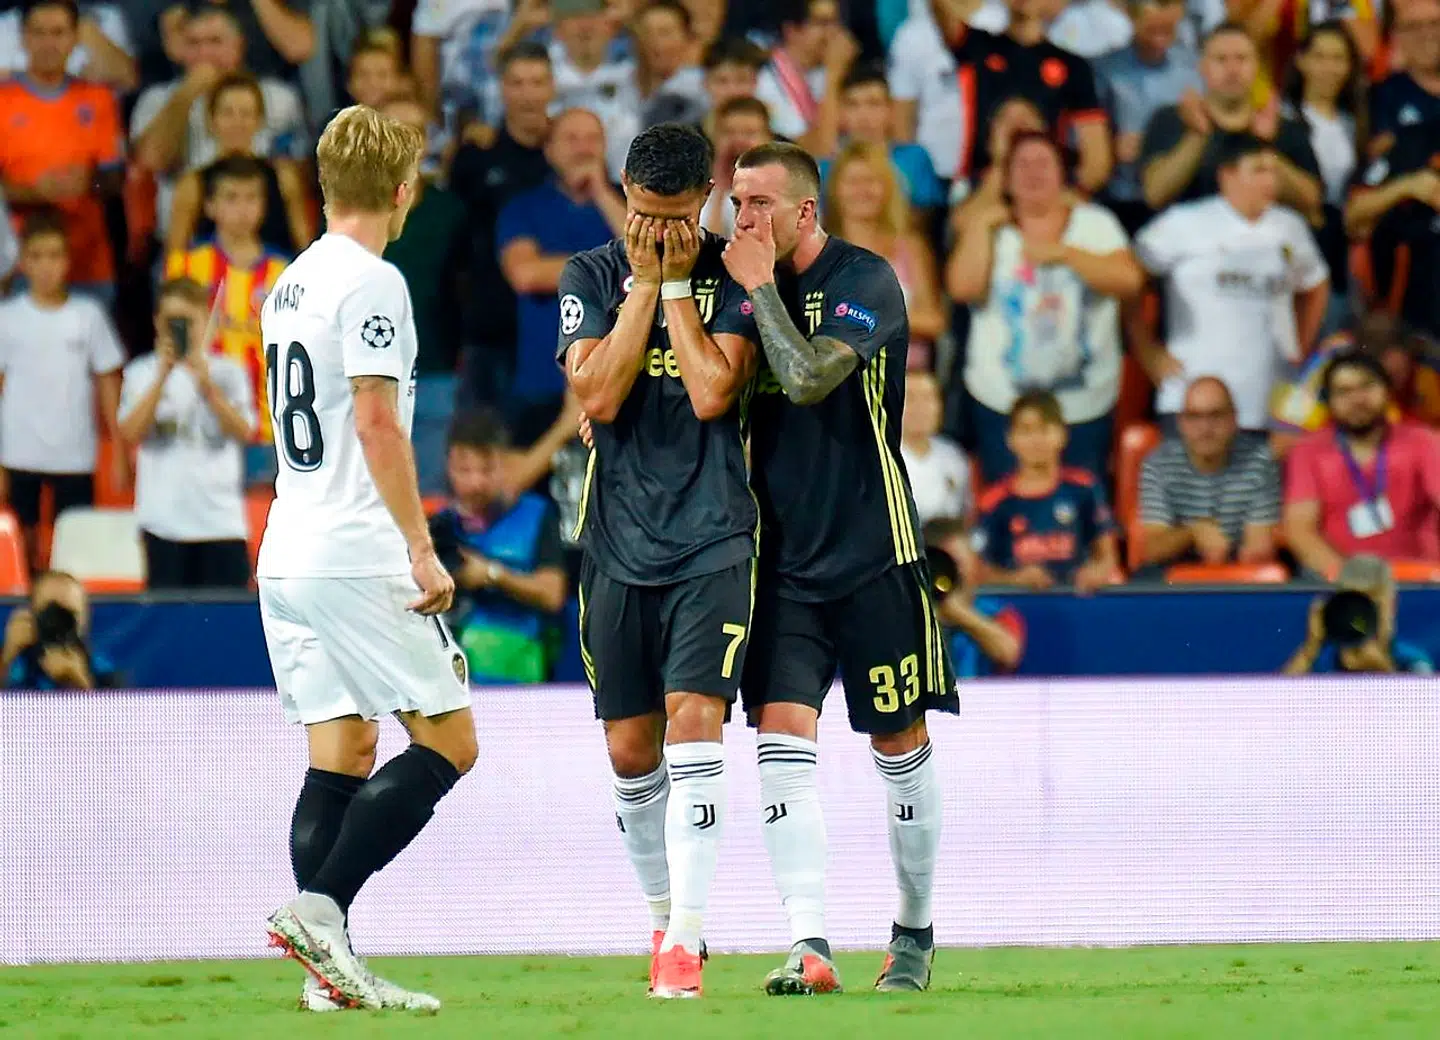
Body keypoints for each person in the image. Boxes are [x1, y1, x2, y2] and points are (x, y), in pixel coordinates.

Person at [722, 140, 959, 995]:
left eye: (758, 205)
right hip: (778, 562)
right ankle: (808, 943)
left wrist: (755, 288)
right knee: (781, 738)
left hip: (873, 553)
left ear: (803, 212)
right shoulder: (733, 285)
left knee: (899, 740)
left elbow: (812, 376)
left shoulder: (866, 281)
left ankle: (915, 930)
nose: (741, 220)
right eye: (735, 203)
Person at [258, 105, 479, 1013]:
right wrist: (421, 549)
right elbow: (378, 421)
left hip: (288, 546)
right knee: (450, 741)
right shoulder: (374, 281)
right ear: (404, 191)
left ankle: (327, 976)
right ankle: (323, 911)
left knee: (344, 748)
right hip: (355, 550)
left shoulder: (290, 283)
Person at [560, 123, 760, 999]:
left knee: (694, 721)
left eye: (677, 219)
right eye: (645, 216)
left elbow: (717, 391)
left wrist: (676, 278)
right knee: (629, 747)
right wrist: (647, 278)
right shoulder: (591, 276)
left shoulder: (739, 275)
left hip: (715, 534)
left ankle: (685, 939)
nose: (660, 231)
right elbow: (596, 392)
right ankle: (659, 911)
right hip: (616, 538)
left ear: (706, 200)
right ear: (625, 195)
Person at [949, 130, 1144, 483]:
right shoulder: (992, 228)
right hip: (1003, 404)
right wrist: (980, 225)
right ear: (1005, 179)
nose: (1033, 172)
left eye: (1043, 163)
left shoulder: (1095, 224)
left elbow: (1129, 281)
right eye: (1022, 164)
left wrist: (1066, 254)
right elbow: (963, 289)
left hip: (1083, 406)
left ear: (1062, 174)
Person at [1131, 135, 1330, 438]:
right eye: (1258, 170)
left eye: (1273, 170)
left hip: (1268, 399)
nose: (1270, 180)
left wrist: (1300, 347)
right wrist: (1147, 351)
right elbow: (1130, 279)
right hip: (1192, 397)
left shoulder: (1290, 227)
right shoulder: (1183, 223)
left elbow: (1315, 283)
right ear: (1227, 175)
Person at [0, 214, 125, 571]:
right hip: (19, 451)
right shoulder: (7, 318)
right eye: (37, 256)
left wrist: (117, 449)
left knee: (75, 543)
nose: (46, 267)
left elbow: (107, 380)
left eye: (55, 256)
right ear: (23, 262)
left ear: (68, 261)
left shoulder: (88, 316)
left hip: (74, 453)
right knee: (23, 543)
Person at [497, 107, 627, 446]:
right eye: (571, 139)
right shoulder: (524, 207)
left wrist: (600, 192)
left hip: (621, 378)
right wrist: (613, 267)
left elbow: (649, 259)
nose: (583, 148)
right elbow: (525, 274)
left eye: (592, 138)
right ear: (549, 149)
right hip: (544, 382)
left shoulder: (630, 203)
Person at [119, 277, 256, 590]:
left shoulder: (229, 372)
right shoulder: (141, 372)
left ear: (206, 320)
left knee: (224, 625)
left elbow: (245, 431)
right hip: (163, 525)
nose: (179, 329)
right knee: (168, 627)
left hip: (221, 524)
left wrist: (208, 387)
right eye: (171, 321)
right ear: (157, 322)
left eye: (188, 321)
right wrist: (162, 376)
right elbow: (130, 432)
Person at [164, 156, 290, 487]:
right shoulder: (187, 267)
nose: (242, 209)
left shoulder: (285, 273)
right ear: (210, 206)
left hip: (263, 428)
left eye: (252, 198)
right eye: (231, 198)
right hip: (201, 427)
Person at [428, 410, 568, 683]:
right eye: (464, 470)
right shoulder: (435, 526)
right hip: (449, 678)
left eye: (486, 469)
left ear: (504, 462)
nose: (476, 482)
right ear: (448, 466)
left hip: (520, 678)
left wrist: (492, 575)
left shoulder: (536, 514)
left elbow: (552, 594)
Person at [0, 0, 124, 301]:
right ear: (23, 37)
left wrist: (87, 184)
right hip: (17, 265)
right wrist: (35, 192)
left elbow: (114, 179)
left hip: (89, 263)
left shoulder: (99, 98)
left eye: (58, 33)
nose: (48, 43)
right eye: (39, 33)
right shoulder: (3, 101)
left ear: (75, 37)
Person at [1138, 22, 1323, 219]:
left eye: (1242, 59)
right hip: (1192, 242)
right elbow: (1154, 195)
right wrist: (1197, 136)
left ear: (1256, 66)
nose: (1233, 69)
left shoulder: (1283, 127)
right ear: (1202, 67)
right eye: (1221, 59)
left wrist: (1266, 149)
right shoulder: (1170, 120)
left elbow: (1311, 199)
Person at [1283, 348, 1440, 577]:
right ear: (1329, 402)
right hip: (1339, 581)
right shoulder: (1308, 452)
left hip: (1420, 578)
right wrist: (1349, 578)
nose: (1357, 399)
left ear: (1387, 391)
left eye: (1367, 386)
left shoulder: (1423, 441)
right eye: (1344, 391)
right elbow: (1300, 530)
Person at [974, 389, 1121, 591]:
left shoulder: (1084, 488)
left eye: (1044, 429)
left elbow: (1108, 556)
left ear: (1062, 434)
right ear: (1010, 439)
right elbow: (979, 570)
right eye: (1026, 430)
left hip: (1076, 600)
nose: (1036, 440)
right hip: (1016, 607)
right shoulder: (994, 501)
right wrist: (1015, 579)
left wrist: (1096, 572)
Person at [1137, 376, 1282, 572]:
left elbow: (1258, 542)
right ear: (1181, 423)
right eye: (1194, 416)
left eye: (1216, 415)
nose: (1205, 428)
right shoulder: (1158, 465)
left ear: (1233, 419)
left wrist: (1249, 553)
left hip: (1237, 572)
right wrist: (1193, 532)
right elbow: (1152, 549)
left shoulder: (1260, 462)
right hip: (1173, 573)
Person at [823, 141, 946, 366]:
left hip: (905, 385)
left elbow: (934, 321)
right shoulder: (817, 253)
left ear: (887, 188)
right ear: (835, 189)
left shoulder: (911, 248)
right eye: (852, 182)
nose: (862, 190)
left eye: (871, 181)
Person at [166, 73, 312, 257]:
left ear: (259, 120)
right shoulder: (192, 185)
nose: (237, 123)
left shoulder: (283, 177)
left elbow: (303, 247)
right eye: (228, 113)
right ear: (211, 120)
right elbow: (175, 258)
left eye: (246, 113)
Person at [1283, 554, 1434, 674]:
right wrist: (1312, 646)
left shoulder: (1411, 661)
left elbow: (1421, 710)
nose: (1361, 618)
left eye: (1372, 605)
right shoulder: (1322, 661)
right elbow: (1280, 704)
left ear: (1391, 606)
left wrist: (1384, 670)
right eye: (1355, 606)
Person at [924, 517, 1026, 678]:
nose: (953, 572)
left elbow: (1009, 653)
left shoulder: (997, 612)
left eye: (958, 562)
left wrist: (957, 613)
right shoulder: (911, 612)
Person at [2, 570, 118, 689]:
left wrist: (79, 682)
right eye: (50, 612)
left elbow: (115, 706)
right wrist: (6, 658)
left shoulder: (102, 670)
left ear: (84, 619)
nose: (57, 621)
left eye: (68, 614)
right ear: (31, 614)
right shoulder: (15, 661)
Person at [902, 369, 972, 525]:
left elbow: (964, 516)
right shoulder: (878, 457)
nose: (920, 408)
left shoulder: (953, 455)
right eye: (910, 398)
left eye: (928, 398)